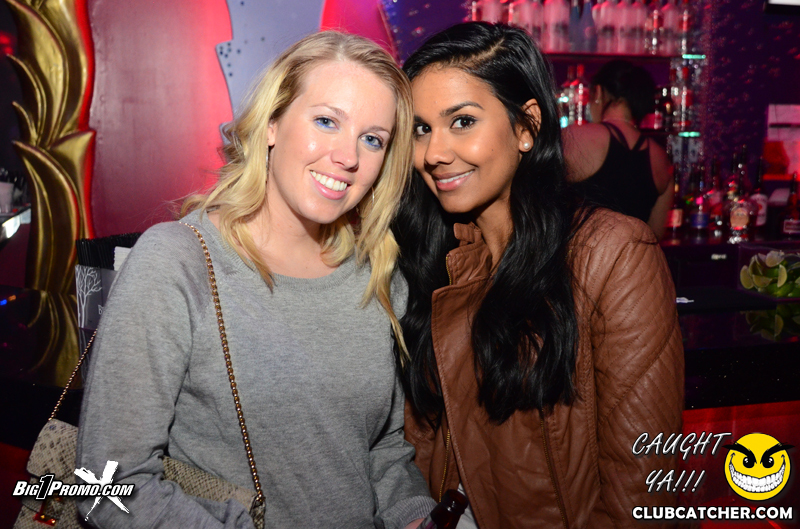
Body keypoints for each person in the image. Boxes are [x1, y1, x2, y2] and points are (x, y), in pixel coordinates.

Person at [76, 31, 436, 528]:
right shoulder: (178, 263)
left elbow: (380, 451)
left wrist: (416, 515)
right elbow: (107, 485)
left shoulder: (377, 277)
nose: (348, 157)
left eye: (372, 139)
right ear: (272, 123)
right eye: (327, 121)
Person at [391, 23, 684, 528]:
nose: (434, 153)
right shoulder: (432, 255)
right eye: (421, 129)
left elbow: (641, 491)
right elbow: (421, 441)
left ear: (526, 125)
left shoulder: (612, 254)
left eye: (462, 121)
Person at [563, 59, 673, 240]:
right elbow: (655, 236)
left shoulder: (574, 138)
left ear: (598, 92)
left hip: (579, 255)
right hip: (631, 256)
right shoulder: (661, 160)